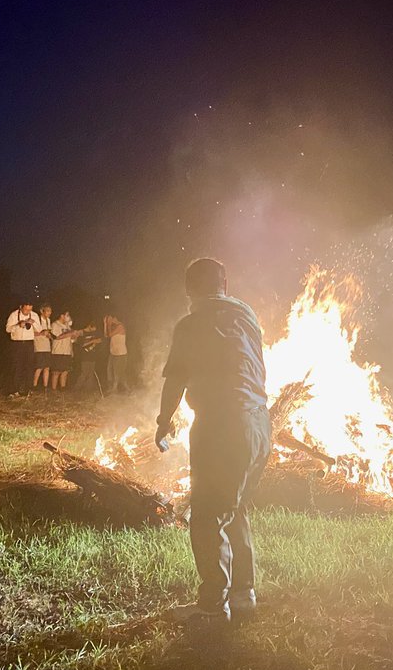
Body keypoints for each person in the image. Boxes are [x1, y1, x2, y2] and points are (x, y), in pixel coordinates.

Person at [155, 258, 271, 626]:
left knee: (206, 515)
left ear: (189, 289)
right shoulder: (246, 315)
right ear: (225, 284)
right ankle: (243, 595)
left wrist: (163, 421)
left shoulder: (191, 324)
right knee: (234, 508)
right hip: (259, 424)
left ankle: (212, 608)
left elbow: (176, 378)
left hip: (222, 425)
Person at [5, 302, 42, 397]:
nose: (27, 312)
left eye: (30, 309)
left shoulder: (34, 315)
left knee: (29, 366)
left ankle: (27, 390)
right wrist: (18, 325)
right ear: (21, 307)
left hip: (29, 343)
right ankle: (14, 390)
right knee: (16, 366)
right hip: (17, 343)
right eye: (26, 309)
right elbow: (8, 329)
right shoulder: (14, 315)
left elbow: (39, 329)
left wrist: (33, 323)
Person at [49, 310, 86, 392]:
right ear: (62, 316)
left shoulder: (67, 326)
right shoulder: (55, 325)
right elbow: (57, 337)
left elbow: (71, 339)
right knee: (56, 372)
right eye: (67, 315)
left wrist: (76, 335)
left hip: (67, 351)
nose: (69, 317)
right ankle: (53, 390)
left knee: (65, 371)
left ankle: (63, 389)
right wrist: (70, 333)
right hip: (58, 351)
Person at [105, 312, 129, 393]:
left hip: (120, 353)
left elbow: (110, 335)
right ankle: (123, 388)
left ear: (115, 318)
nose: (110, 320)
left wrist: (108, 324)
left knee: (118, 371)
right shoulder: (114, 327)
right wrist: (105, 324)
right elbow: (106, 335)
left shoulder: (120, 326)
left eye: (110, 318)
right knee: (110, 370)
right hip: (113, 353)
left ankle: (115, 388)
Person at [33, 304, 54, 391]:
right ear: (42, 311)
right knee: (39, 367)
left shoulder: (48, 320)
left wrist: (49, 336)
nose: (50, 313)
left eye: (50, 311)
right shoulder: (37, 320)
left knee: (47, 367)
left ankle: (45, 387)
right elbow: (31, 333)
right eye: (48, 311)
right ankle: (34, 386)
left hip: (47, 347)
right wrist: (41, 333)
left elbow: (48, 333)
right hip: (39, 347)